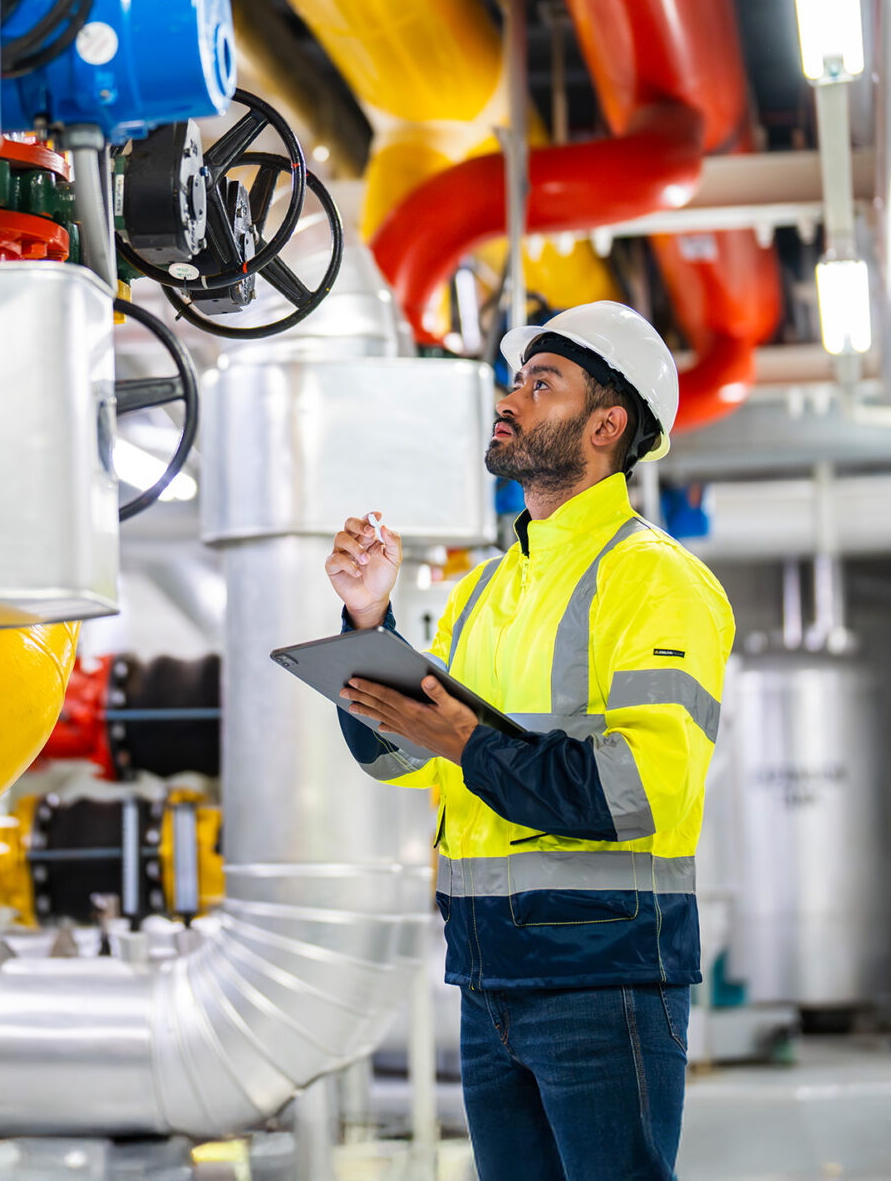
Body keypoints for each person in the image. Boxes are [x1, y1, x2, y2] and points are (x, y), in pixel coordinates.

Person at [322, 301, 735, 1181]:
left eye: (541, 384)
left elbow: (636, 792)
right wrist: (368, 619)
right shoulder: (484, 590)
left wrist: (467, 741)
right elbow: (402, 757)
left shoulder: (660, 583)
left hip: (603, 977)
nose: (511, 399)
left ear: (605, 425)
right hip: (489, 979)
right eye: (515, 381)